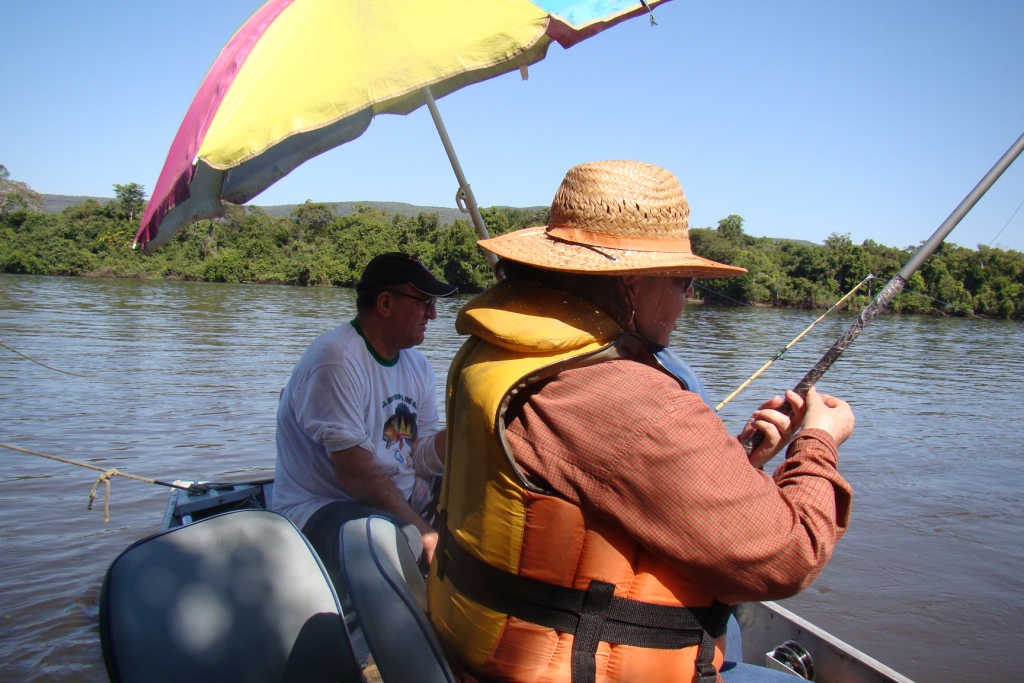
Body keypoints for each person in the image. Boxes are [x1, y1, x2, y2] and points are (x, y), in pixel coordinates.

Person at [427, 161, 855, 683]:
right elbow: (791, 552)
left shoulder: (490, 352)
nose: (689, 297)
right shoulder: (628, 399)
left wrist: (741, 465)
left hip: (471, 657)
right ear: (632, 284)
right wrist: (817, 441)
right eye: (683, 280)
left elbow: (591, 482)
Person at [272, 252, 456, 655]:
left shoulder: (418, 366)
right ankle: (365, 653)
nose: (434, 314)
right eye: (423, 302)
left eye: (434, 303)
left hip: (394, 495)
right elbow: (357, 476)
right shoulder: (335, 360)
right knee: (391, 539)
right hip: (324, 505)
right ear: (385, 303)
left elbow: (421, 455)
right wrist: (422, 530)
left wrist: (466, 431)